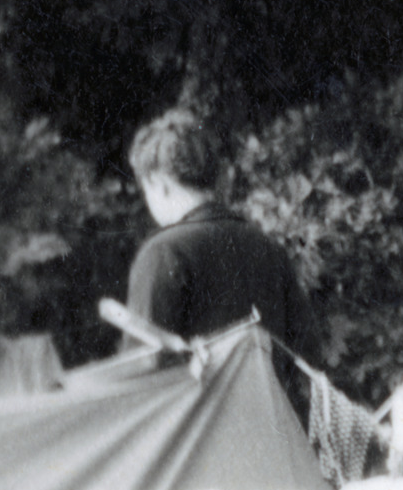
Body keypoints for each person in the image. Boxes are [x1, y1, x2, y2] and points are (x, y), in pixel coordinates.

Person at [123, 106, 317, 394]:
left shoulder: (163, 253)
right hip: (272, 430)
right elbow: (307, 357)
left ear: (158, 183)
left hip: (199, 434)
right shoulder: (270, 250)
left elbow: (140, 374)